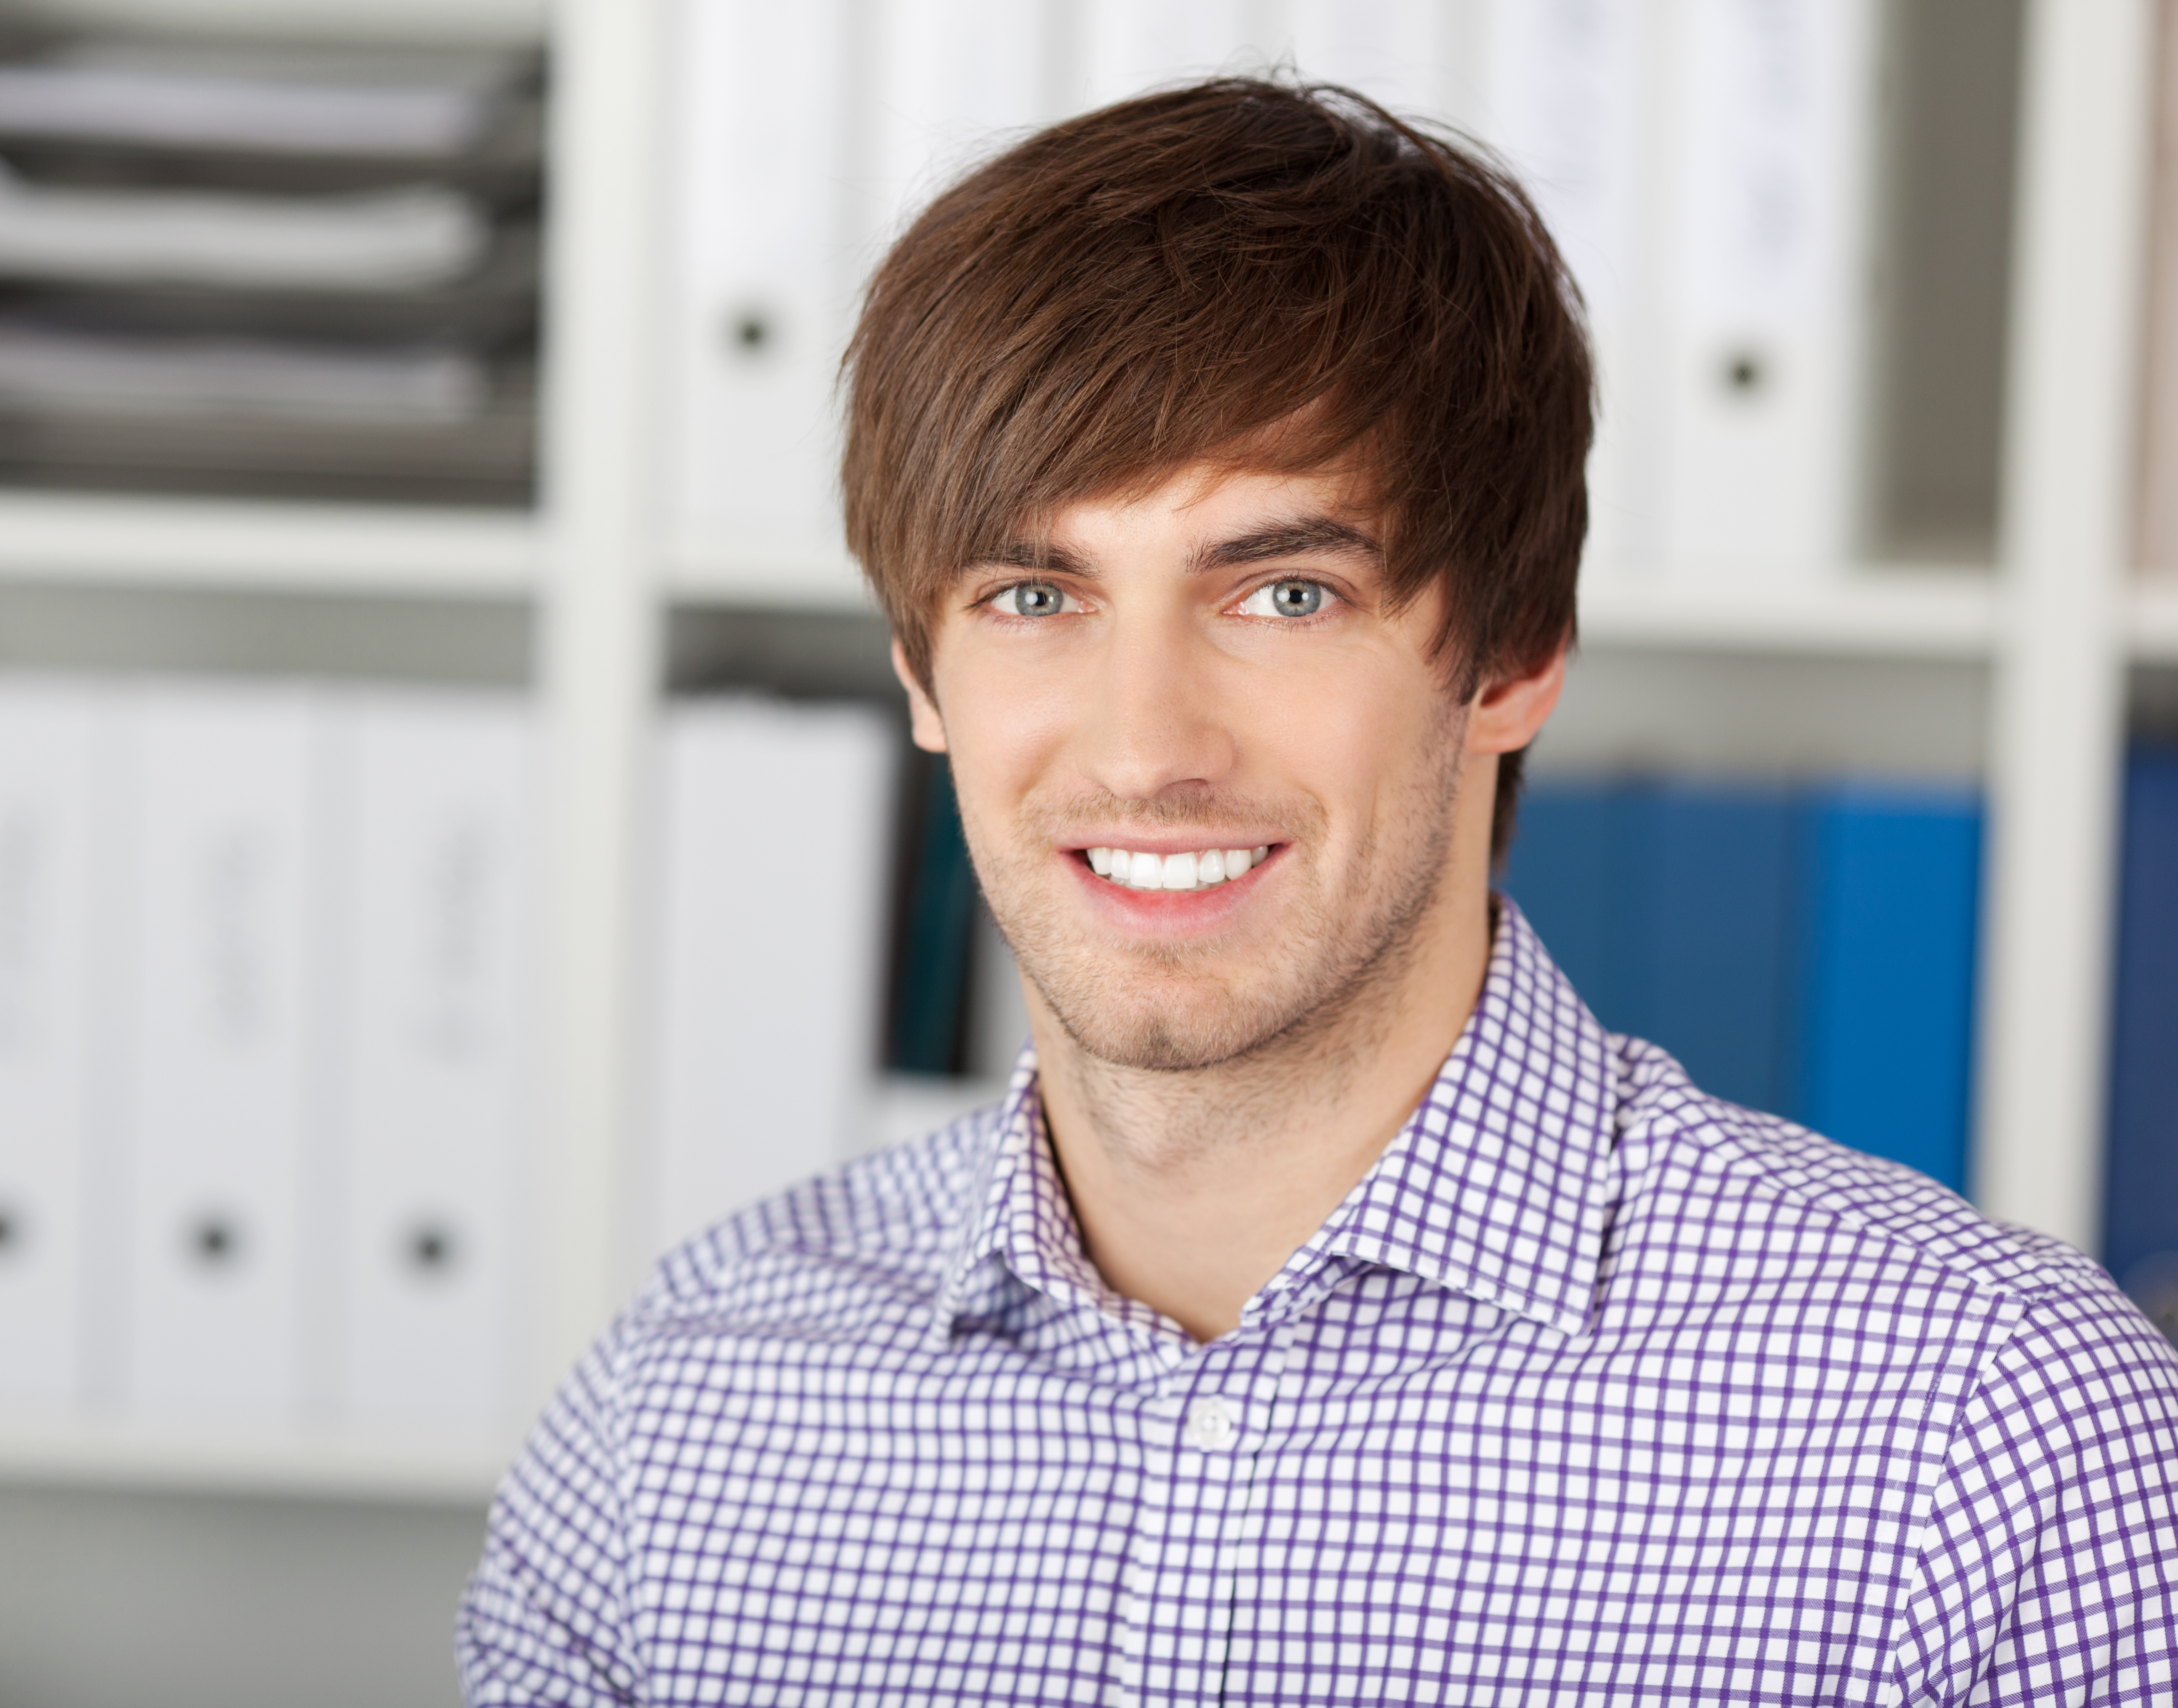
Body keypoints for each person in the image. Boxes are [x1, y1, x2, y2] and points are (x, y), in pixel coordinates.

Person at [460, 80, 2178, 1703]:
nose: (1146, 749)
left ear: (1510, 655)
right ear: (921, 671)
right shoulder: (673, 1422)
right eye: (1033, 598)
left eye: (1281, 595)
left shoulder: (1991, 1442)